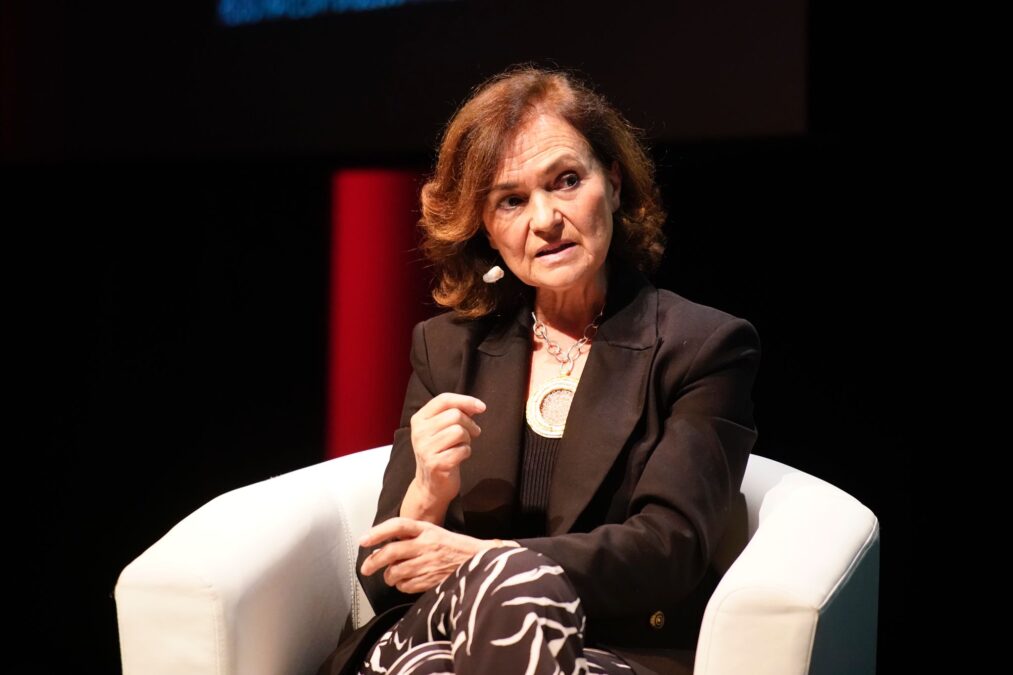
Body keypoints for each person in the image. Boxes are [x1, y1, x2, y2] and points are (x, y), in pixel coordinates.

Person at [319, 64, 761, 675]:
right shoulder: (446, 350)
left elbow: (670, 549)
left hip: (607, 648)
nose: (545, 219)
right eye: (512, 200)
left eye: (567, 181)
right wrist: (426, 491)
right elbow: (386, 582)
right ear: (486, 230)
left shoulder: (703, 346)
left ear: (613, 181)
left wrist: (485, 560)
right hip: (435, 633)